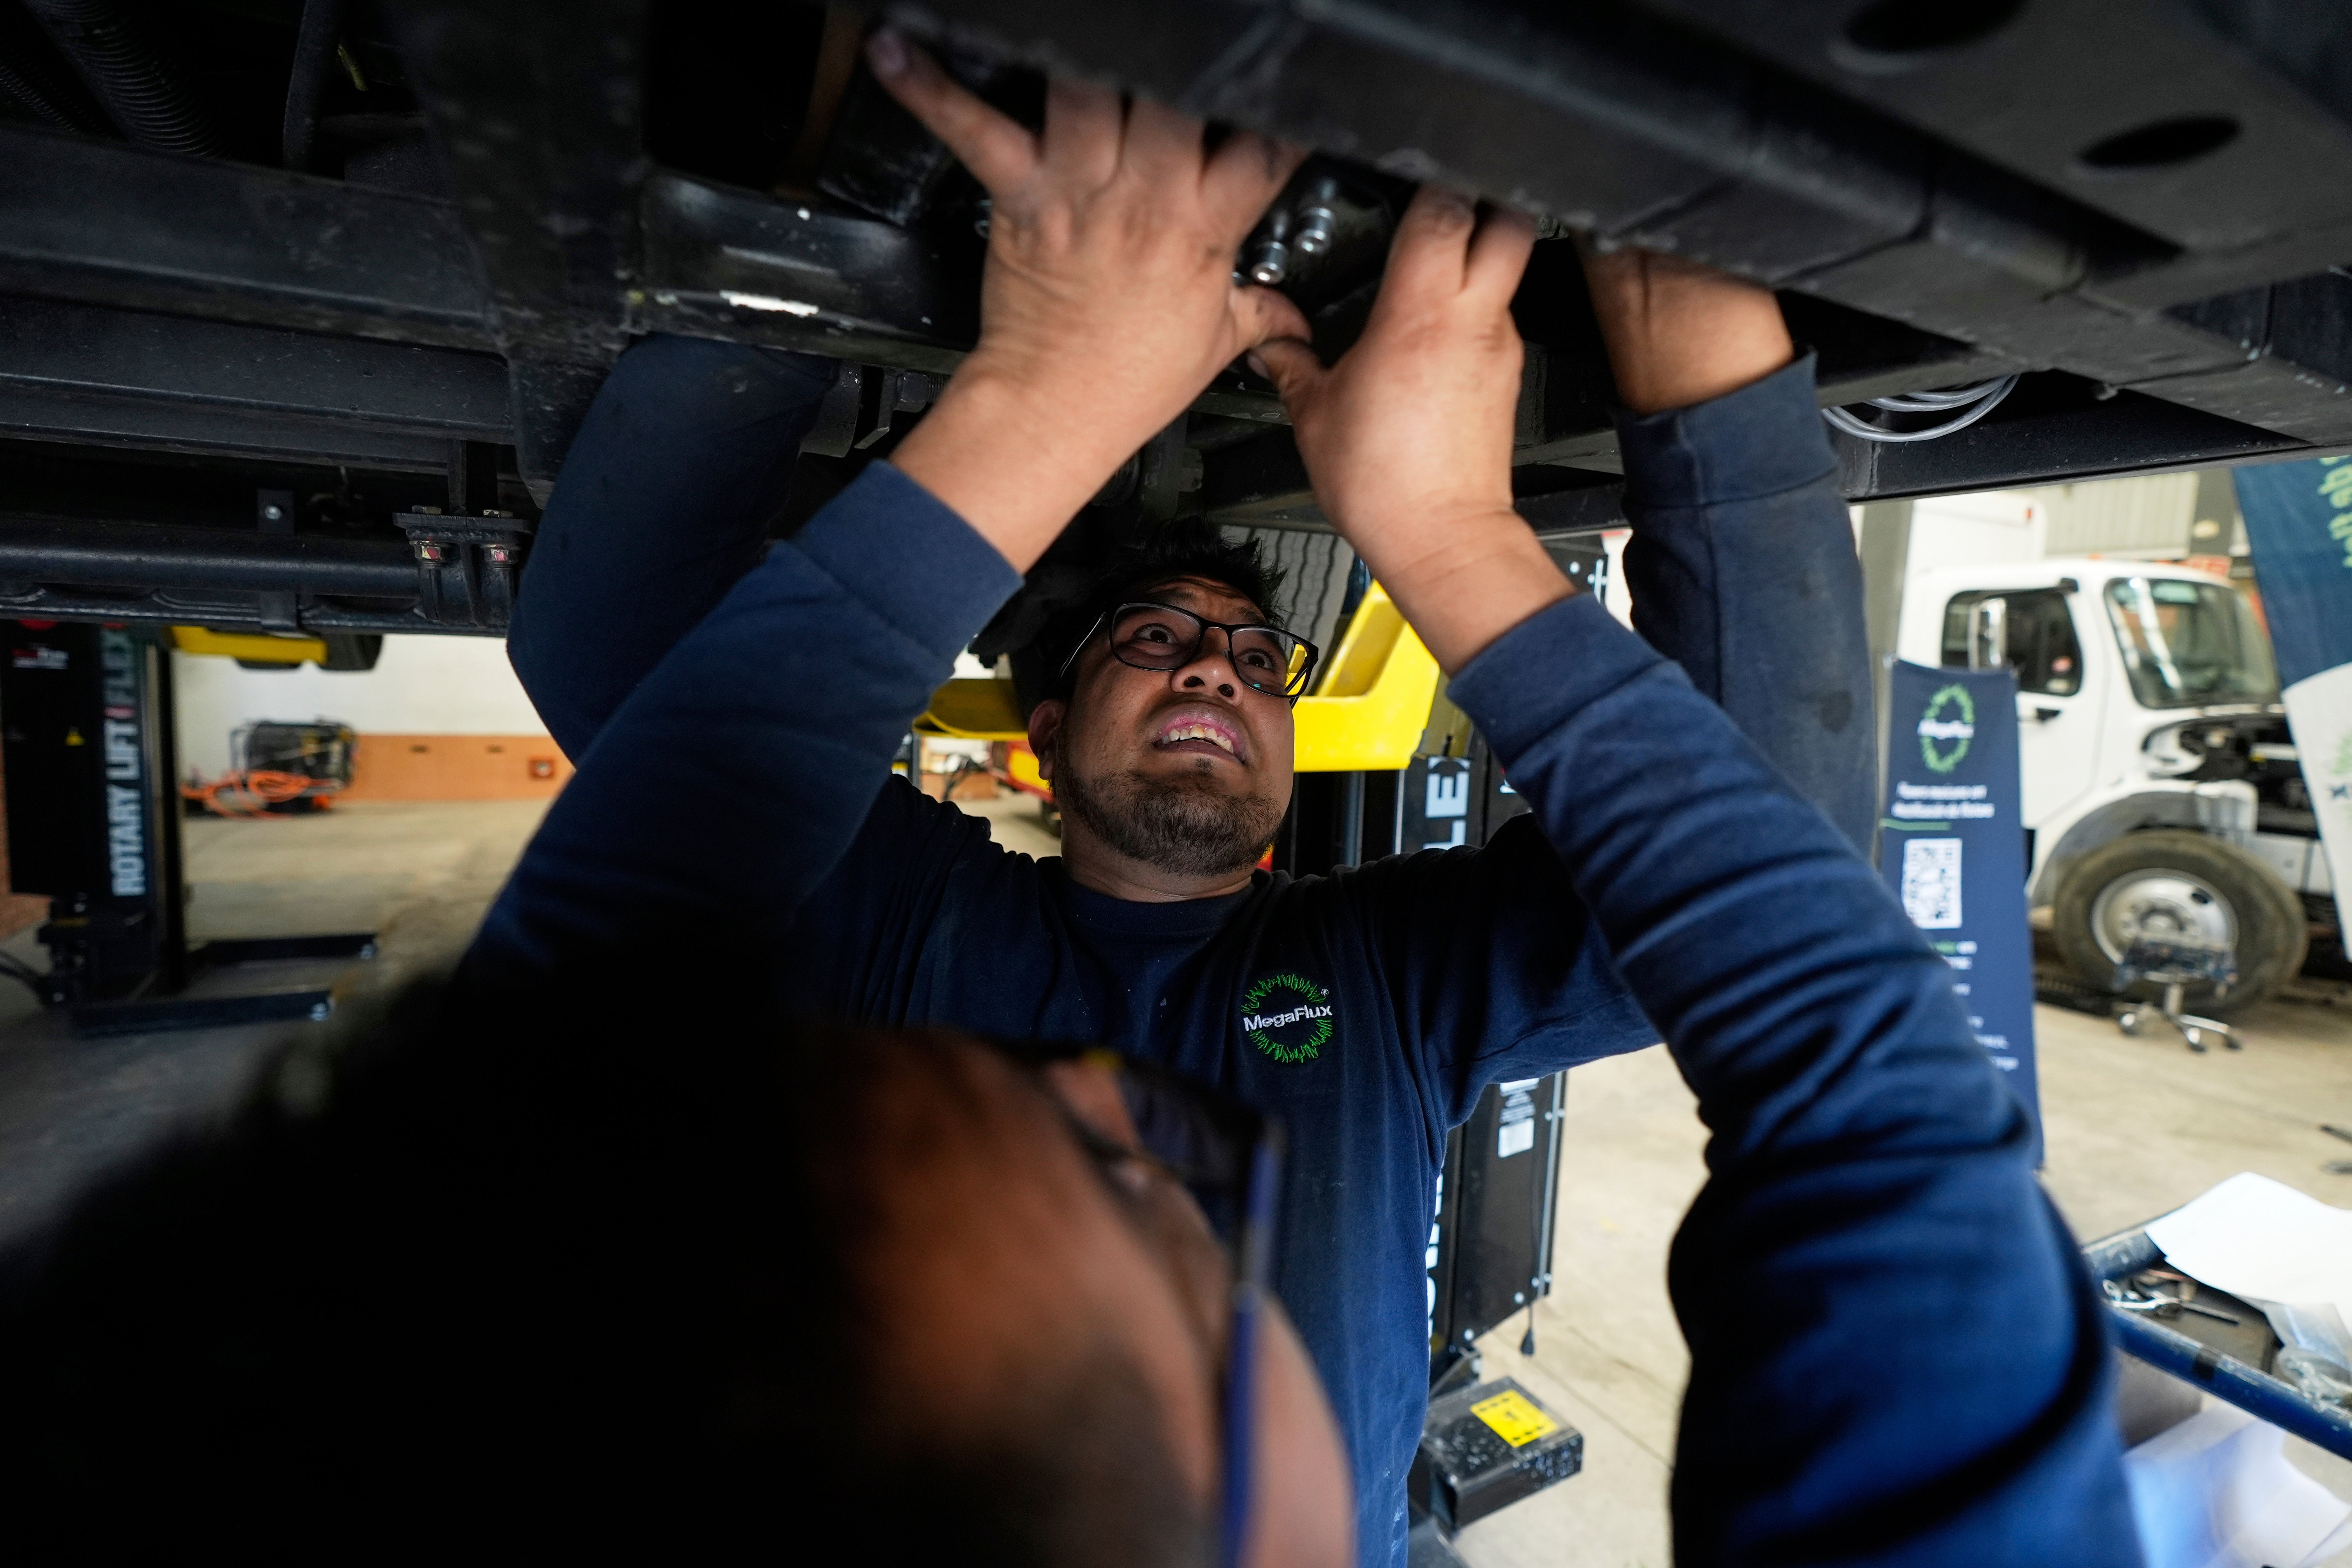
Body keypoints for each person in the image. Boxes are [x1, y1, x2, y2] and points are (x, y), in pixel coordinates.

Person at [0, 38, 2136, 1561]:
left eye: (1231, 645)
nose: (1111, 1104)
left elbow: (623, 678)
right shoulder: (1378, 984)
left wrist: (888, 281)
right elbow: (1801, 925)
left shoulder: (916, 932)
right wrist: (1705, 390)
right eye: (1163, 642)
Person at [499, 37, 1881, 1565]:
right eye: (1155, 642)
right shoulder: (1021, 925)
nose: (1220, 672)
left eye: (1248, 659)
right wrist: (1677, 303)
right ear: (1042, 730)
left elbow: (611, 646)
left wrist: (991, 366)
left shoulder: (979, 933)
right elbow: (1786, 865)